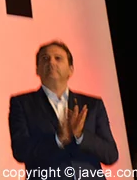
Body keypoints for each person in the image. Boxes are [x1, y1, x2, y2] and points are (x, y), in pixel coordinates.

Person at [9, 41, 119, 174]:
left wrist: (81, 136)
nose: (51, 62)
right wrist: (58, 139)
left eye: (58, 58)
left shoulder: (92, 104)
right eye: (45, 58)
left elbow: (111, 155)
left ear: (71, 69)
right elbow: (20, 151)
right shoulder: (22, 103)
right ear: (37, 69)